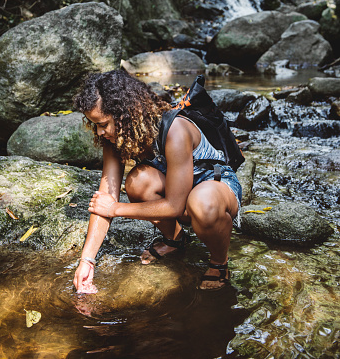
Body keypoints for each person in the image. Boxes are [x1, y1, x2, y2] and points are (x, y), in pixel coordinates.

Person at [73, 70, 242, 292]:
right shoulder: (115, 137)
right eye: (94, 123)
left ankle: (220, 263)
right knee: (137, 181)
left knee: (202, 202)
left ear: (125, 115)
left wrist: (116, 209)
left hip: (215, 186)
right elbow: (104, 198)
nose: (99, 131)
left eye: (103, 123)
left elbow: (174, 205)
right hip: (179, 192)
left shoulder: (175, 130)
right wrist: (87, 261)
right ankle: (175, 239)